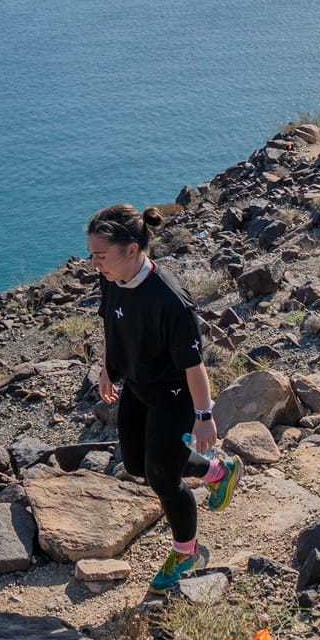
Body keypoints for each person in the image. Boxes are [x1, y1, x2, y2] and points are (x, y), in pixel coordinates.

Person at [88, 204, 244, 593]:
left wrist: (204, 416)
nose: (94, 264)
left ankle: (186, 551)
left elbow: (194, 365)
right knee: (139, 464)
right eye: (91, 255)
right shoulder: (112, 278)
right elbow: (111, 323)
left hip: (174, 395)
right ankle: (218, 472)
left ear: (131, 249)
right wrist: (109, 368)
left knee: (162, 476)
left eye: (100, 255)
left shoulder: (171, 300)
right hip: (138, 387)